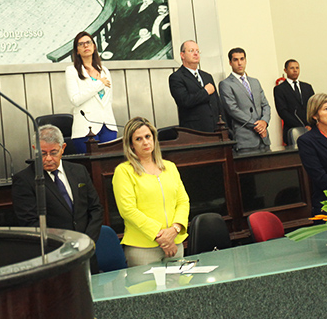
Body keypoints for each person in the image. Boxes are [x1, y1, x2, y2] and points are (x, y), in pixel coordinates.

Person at [11, 125, 104, 271]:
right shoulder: (24, 180)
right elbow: (30, 223)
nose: (48, 158)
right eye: (42, 153)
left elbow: (96, 209)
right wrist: (64, 246)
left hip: (87, 254)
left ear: (63, 148)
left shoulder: (79, 171)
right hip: (53, 257)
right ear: (34, 148)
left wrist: (86, 241)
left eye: (53, 152)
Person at [112, 117, 189, 267]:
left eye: (148, 136)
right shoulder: (124, 171)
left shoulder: (170, 167)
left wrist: (175, 229)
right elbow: (128, 210)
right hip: (142, 249)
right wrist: (161, 236)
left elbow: (183, 201)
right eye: (138, 139)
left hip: (175, 244)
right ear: (131, 145)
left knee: (178, 289)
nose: (145, 142)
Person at [65, 31, 118, 152]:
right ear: (77, 51)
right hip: (85, 127)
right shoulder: (72, 71)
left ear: (94, 46)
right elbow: (75, 100)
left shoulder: (104, 70)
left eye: (88, 42)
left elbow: (109, 99)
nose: (85, 46)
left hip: (108, 126)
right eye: (81, 44)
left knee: (109, 166)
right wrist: (98, 85)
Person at [218, 47, 271, 150]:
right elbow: (233, 110)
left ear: (245, 60)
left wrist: (264, 122)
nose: (239, 63)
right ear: (230, 62)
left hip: (264, 138)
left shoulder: (255, 82)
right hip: (245, 140)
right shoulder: (226, 84)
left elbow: (265, 105)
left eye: (242, 59)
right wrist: (257, 126)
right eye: (235, 60)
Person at [168, 40, 222, 132]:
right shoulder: (176, 77)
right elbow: (185, 101)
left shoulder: (207, 76)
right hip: (193, 131)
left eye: (197, 51)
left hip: (215, 129)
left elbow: (216, 103)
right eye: (191, 51)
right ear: (182, 55)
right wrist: (205, 92)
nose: (196, 54)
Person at [273, 59, 315, 145]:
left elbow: (314, 107)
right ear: (285, 70)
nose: (295, 70)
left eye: (297, 68)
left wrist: (310, 124)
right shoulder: (280, 89)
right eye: (292, 68)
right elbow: (282, 111)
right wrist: (301, 126)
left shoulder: (307, 87)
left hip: (311, 128)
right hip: (292, 129)